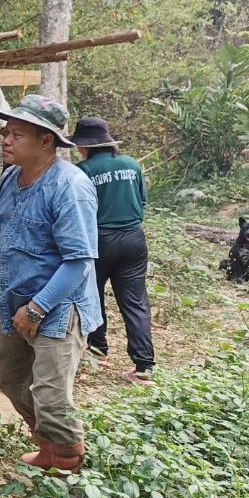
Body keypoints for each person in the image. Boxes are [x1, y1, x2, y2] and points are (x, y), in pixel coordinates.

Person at [0, 95, 102, 474]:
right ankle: (48, 445)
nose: (6, 140)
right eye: (6, 132)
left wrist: (37, 308)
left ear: (46, 141)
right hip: (16, 299)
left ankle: (66, 467)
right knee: (9, 374)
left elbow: (78, 262)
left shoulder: (69, 187)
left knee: (51, 395)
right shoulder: (11, 178)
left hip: (58, 308)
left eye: (17, 134)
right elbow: (4, 239)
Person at [73, 116, 156, 385]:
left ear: (85, 145)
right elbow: (142, 201)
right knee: (135, 301)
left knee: (93, 295)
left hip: (99, 240)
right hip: (134, 239)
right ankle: (143, 367)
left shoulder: (83, 170)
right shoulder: (132, 164)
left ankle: (99, 352)